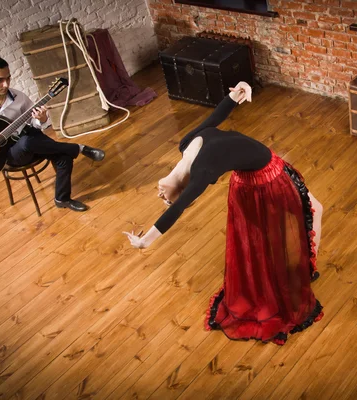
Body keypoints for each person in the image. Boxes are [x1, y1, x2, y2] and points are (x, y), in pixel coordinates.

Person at [125, 82, 324, 345]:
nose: (161, 196)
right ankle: (303, 276)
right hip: (268, 182)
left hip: (255, 178)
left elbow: (215, 118)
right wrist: (145, 240)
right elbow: (179, 208)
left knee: (270, 236)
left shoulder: (186, 146)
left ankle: (298, 273)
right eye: (167, 200)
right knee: (314, 211)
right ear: (182, 191)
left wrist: (237, 92)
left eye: (163, 198)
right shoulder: (201, 173)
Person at [0, 56, 105, 212]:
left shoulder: (18, 97)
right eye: (0, 80)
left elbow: (34, 124)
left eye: (8, 78)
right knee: (28, 141)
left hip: (31, 138)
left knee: (62, 156)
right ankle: (79, 148)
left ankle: (62, 199)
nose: (6, 84)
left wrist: (41, 119)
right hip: (8, 153)